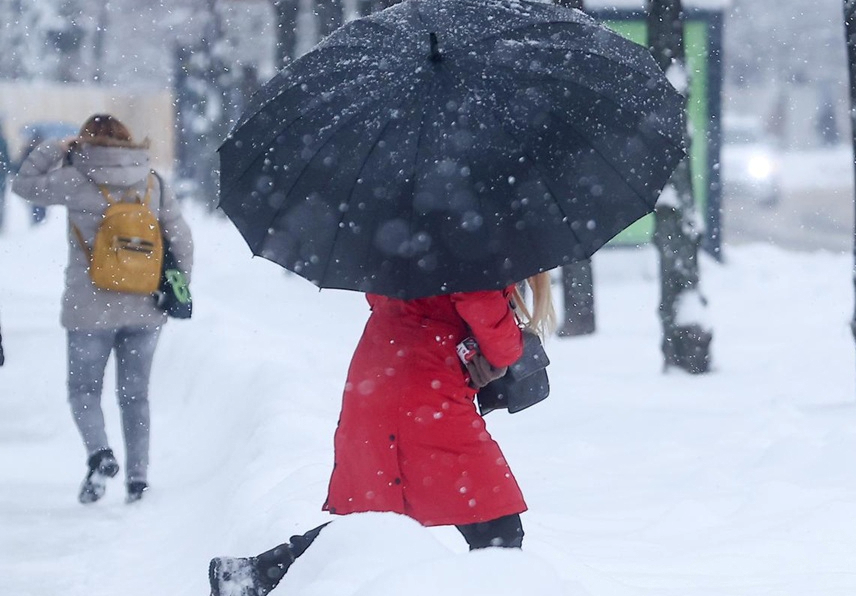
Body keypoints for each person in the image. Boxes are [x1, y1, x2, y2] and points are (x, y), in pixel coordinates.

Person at [209, 275, 555, 596]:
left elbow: (380, 294)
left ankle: (252, 575)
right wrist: (505, 339)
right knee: (498, 530)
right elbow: (495, 332)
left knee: (375, 524)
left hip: (382, 370)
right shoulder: (470, 237)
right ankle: (254, 575)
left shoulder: (412, 221)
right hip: (422, 394)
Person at [11, 114, 193, 504]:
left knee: (83, 391)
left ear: (84, 142)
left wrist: (55, 147)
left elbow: (22, 184)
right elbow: (181, 240)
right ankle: (138, 478)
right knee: (136, 396)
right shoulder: (153, 182)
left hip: (88, 307)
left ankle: (99, 453)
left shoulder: (75, 179)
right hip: (146, 307)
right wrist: (177, 288)